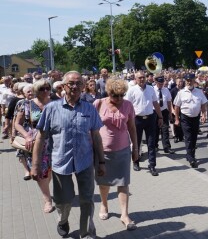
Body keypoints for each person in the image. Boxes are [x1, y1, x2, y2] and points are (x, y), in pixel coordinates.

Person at [31, 71, 106, 238]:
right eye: (71, 83)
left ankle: (86, 232)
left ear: (83, 86)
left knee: (87, 200)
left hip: (85, 161)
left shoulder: (89, 108)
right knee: (63, 200)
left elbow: (96, 136)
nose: (75, 86)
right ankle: (63, 220)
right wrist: (36, 166)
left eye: (79, 83)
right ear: (63, 86)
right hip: (60, 161)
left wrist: (101, 162)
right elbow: (40, 138)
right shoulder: (51, 108)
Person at [94, 77, 138, 231]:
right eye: (115, 95)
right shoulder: (98, 104)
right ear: (109, 92)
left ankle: (124, 214)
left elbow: (132, 128)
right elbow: (90, 129)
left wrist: (136, 149)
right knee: (104, 182)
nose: (119, 99)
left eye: (122, 95)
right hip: (102, 152)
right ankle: (104, 205)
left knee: (123, 183)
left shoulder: (128, 105)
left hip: (123, 150)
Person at [14, 81, 54, 213]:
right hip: (35, 142)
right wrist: (27, 136)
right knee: (40, 172)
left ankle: (46, 190)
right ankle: (47, 199)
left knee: (50, 171)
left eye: (47, 88)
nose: (45, 91)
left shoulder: (55, 102)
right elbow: (17, 124)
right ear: (36, 90)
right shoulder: (25, 104)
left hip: (54, 142)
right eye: (42, 88)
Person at [125, 71, 163, 176]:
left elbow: (155, 103)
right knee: (136, 142)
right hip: (136, 119)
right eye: (139, 78)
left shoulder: (151, 89)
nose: (142, 79)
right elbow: (127, 106)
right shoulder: (132, 91)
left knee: (151, 143)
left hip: (150, 118)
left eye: (143, 77)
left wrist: (160, 116)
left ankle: (152, 165)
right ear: (136, 79)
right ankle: (135, 161)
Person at [174, 73, 208, 168]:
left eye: (191, 80)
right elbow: (176, 106)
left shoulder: (199, 92)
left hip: (195, 118)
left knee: (194, 138)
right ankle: (191, 158)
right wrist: (177, 119)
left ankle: (189, 155)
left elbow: (203, 104)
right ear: (185, 81)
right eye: (187, 80)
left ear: (194, 81)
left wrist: (203, 115)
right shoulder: (181, 92)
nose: (189, 82)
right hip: (185, 117)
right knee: (188, 138)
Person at [154, 75, 175, 154]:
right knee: (155, 130)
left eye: (162, 83)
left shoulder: (166, 90)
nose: (161, 85)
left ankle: (167, 147)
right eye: (159, 83)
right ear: (156, 82)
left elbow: (169, 102)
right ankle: (155, 145)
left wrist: (170, 113)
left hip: (164, 111)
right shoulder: (152, 90)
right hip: (155, 112)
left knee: (165, 129)